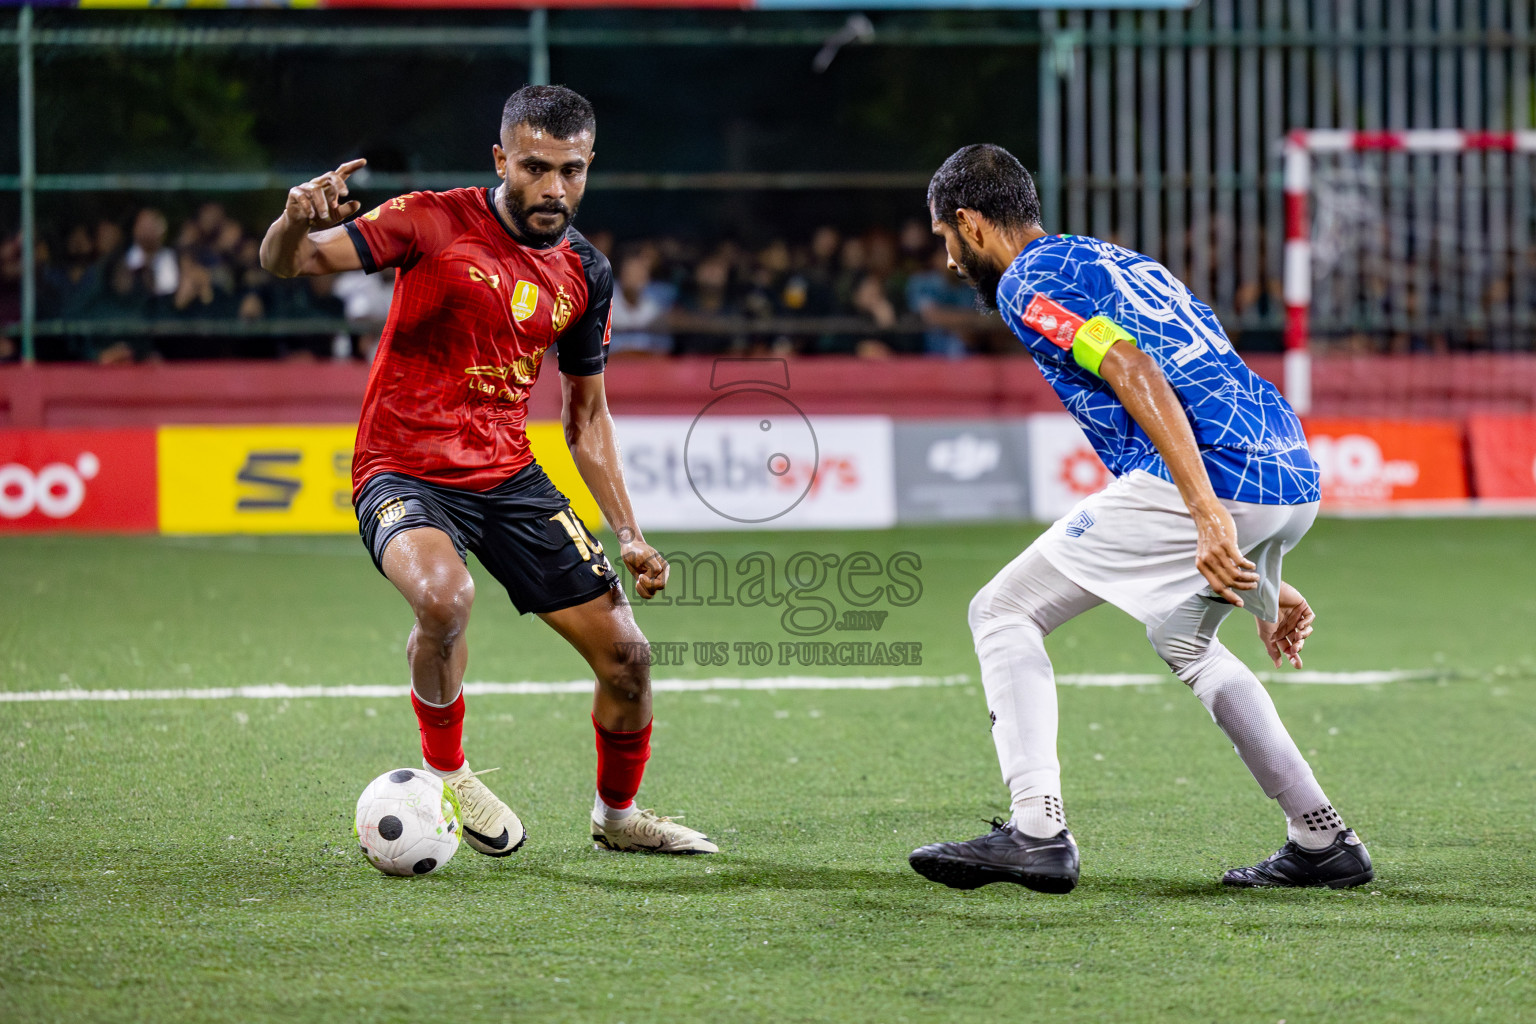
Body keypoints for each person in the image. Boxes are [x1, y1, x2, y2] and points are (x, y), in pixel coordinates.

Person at [258, 84, 716, 857]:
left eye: (571, 170)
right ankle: (450, 772)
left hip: (507, 477)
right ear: (501, 158)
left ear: (589, 164)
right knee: (444, 598)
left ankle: (618, 819)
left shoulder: (585, 273)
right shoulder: (428, 218)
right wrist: (293, 219)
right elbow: (290, 261)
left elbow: (586, 418)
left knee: (629, 659)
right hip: (401, 469)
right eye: (535, 167)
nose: (554, 188)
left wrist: (630, 533)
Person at [907, 144, 1370, 893]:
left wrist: (1207, 516)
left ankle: (1035, 831)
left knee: (1002, 611)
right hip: (1287, 466)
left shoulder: (1028, 282)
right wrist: (1248, 555)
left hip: (1215, 476)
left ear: (969, 222)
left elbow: (1130, 368)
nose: (952, 262)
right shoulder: (1119, 261)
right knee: (1183, 640)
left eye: (945, 241)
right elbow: (1201, 360)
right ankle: (1321, 838)